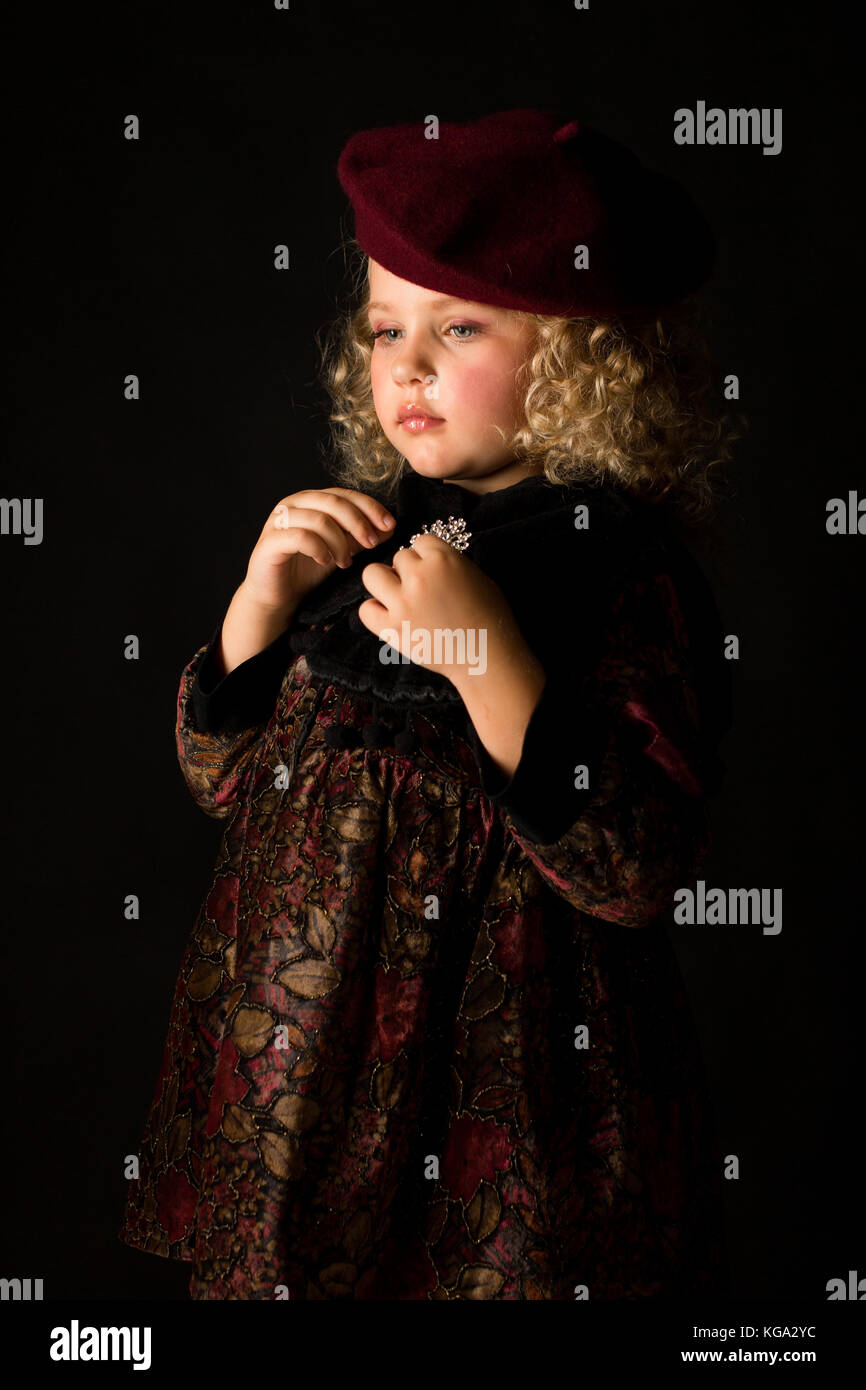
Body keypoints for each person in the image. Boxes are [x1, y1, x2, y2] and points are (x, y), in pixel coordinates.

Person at [118, 108, 742, 1299]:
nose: (405, 363)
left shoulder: (616, 571)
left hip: (502, 1094)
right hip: (303, 1079)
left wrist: (485, 657)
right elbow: (226, 784)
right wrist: (254, 613)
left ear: (576, 353)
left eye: (457, 326)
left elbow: (634, 865)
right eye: (384, 326)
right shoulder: (361, 542)